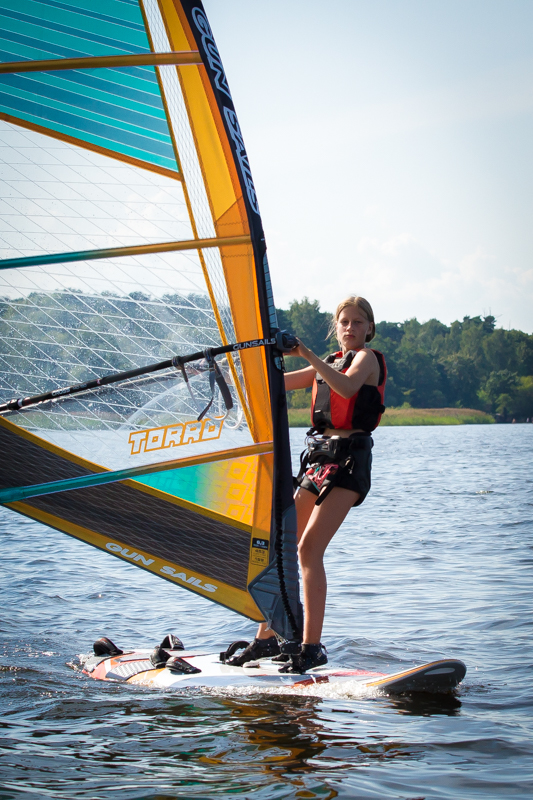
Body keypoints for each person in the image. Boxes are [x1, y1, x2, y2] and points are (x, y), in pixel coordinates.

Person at [225, 296, 387, 673]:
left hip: (349, 461)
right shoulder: (328, 363)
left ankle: (312, 648)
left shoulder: (366, 360)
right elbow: (273, 385)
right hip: (318, 461)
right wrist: (238, 367)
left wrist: (305, 353)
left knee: (309, 550)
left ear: (369, 328)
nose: (350, 328)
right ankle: (267, 638)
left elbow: (346, 388)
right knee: (282, 546)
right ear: (336, 327)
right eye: (344, 322)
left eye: (357, 322)